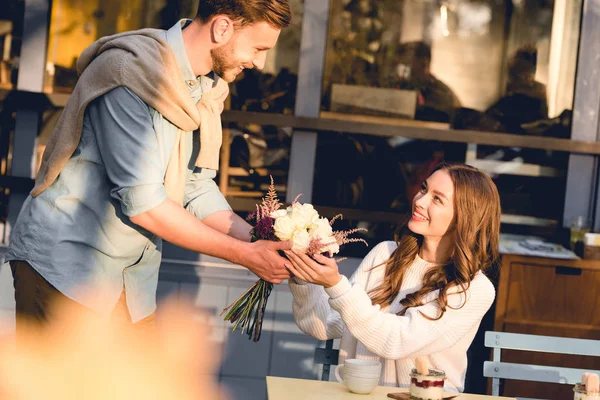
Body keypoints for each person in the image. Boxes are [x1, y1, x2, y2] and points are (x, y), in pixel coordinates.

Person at [4, 0, 293, 332]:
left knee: (139, 385)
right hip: (66, 271)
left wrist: (258, 239)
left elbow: (194, 186)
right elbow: (144, 205)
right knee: (56, 386)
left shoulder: (207, 88)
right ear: (222, 27)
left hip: (130, 282)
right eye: (258, 48)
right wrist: (245, 256)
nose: (260, 63)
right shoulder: (132, 74)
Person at [285, 163, 500, 392]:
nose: (420, 201)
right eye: (424, 189)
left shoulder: (474, 289)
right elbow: (327, 325)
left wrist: (336, 285)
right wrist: (303, 275)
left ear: (464, 218)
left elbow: (397, 340)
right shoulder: (385, 254)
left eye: (437, 199)